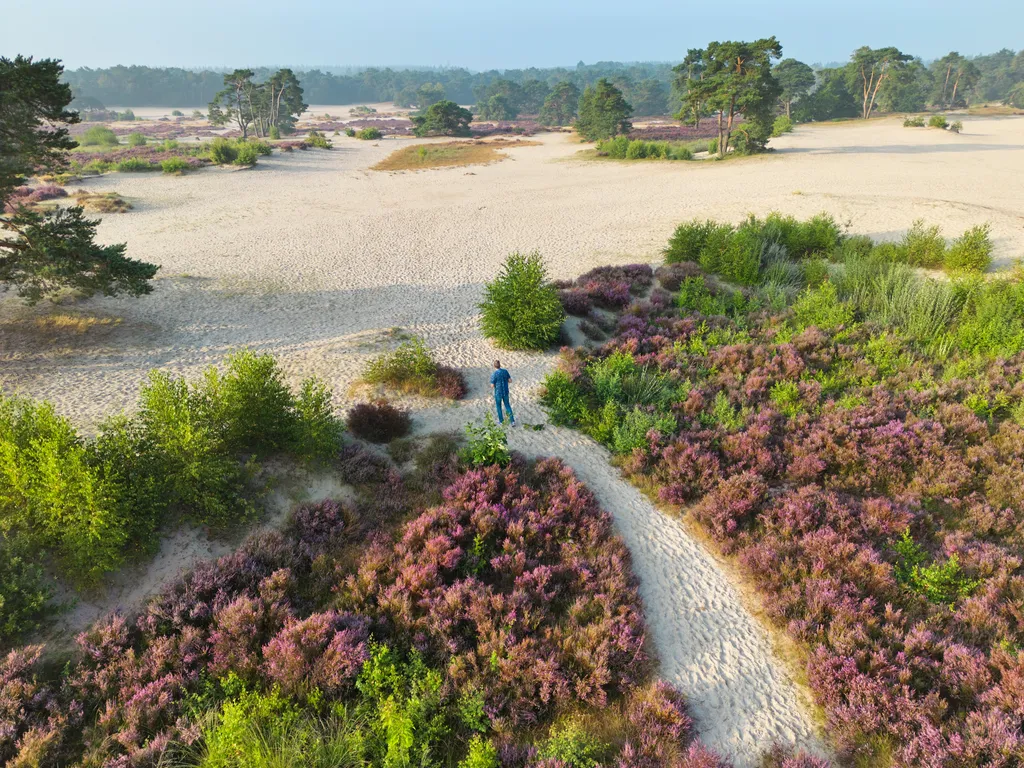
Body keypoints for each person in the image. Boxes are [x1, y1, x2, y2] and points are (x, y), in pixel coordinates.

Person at [490, 360, 515, 426]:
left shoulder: (494, 374)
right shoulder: (505, 371)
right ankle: (512, 421)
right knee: (507, 405)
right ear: (500, 365)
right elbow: (510, 381)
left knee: (499, 406)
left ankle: (501, 421)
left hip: (498, 392)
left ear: (494, 366)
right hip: (505, 391)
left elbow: (492, 386)